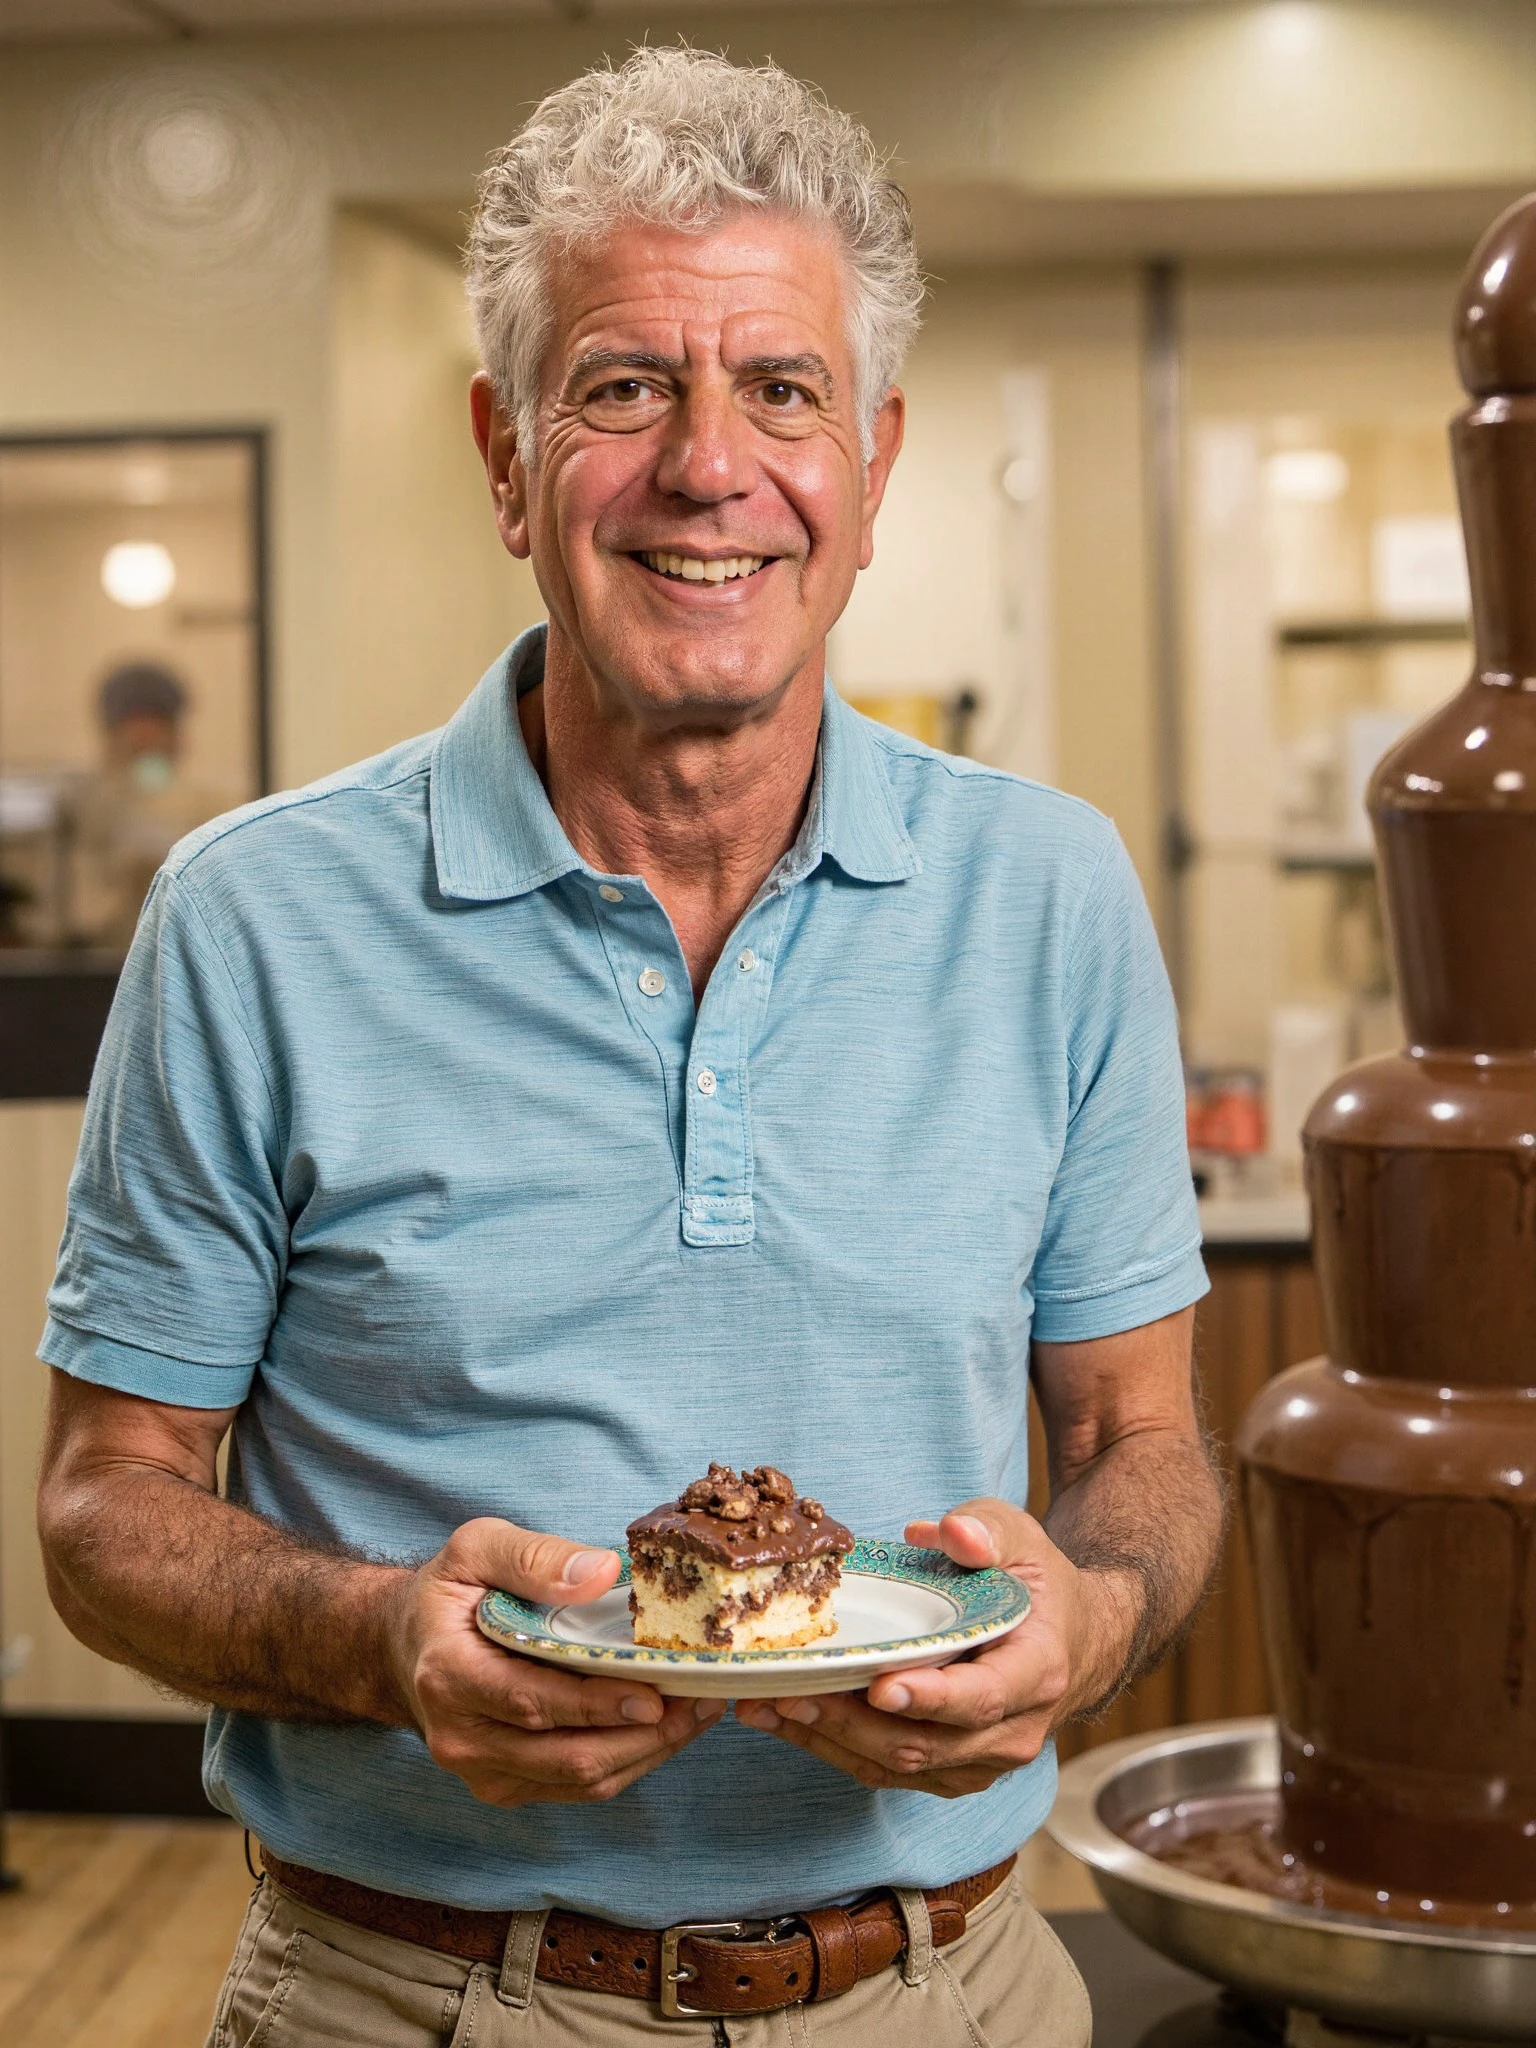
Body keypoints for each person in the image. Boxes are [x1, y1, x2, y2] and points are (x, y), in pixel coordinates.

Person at [36, 48, 1222, 2047]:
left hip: (957, 1994)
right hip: (404, 1995)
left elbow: (1140, 1448)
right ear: (506, 459)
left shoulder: (1052, 894)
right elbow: (102, 1501)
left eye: (783, 389)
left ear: (874, 464)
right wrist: (379, 1639)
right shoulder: (255, 921)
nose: (707, 464)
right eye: (622, 386)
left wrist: (1088, 1623)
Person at [68, 659, 215, 948]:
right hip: (109, 948)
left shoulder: (205, 801)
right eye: (134, 735)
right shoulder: (89, 800)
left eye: (156, 729)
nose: (146, 740)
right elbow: (82, 900)